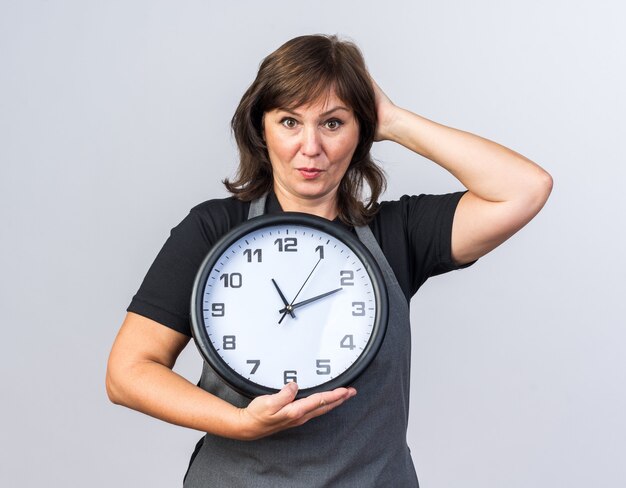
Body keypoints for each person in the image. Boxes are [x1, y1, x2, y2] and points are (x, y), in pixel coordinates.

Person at [106, 34, 552, 487]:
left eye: (333, 124)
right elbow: (128, 373)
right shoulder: (212, 230)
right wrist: (238, 422)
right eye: (289, 122)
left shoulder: (397, 233)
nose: (310, 146)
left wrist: (395, 120)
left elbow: (525, 188)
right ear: (262, 128)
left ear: (362, 132)